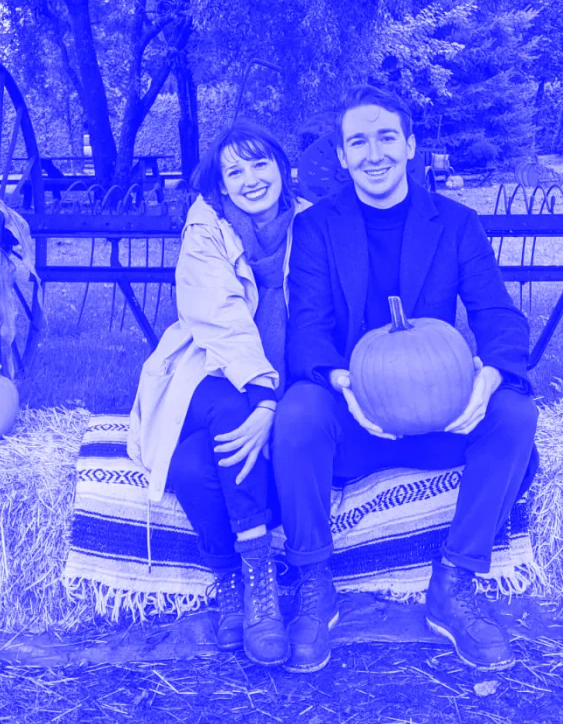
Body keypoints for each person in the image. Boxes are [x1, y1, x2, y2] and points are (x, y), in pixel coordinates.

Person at [273, 85, 539, 674]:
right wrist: (343, 384)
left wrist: (490, 378)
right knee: (296, 413)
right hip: (352, 414)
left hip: (436, 409)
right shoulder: (317, 228)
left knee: (517, 412)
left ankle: (455, 581)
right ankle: (314, 581)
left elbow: (498, 315)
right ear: (341, 156)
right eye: (358, 141)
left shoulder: (457, 224)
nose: (374, 154)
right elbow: (307, 329)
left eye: (386, 137)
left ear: (411, 146)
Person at [128, 121, 304, 665]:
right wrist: (264, 397)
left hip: (295, 370)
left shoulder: (312, 222)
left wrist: (277, 396)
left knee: (188, 468)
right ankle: (258, 586)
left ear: (281, 168)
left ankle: (226, 570)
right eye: (235, 171)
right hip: (212, 364)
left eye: (259, 164)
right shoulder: (205, 229)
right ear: (221, 186)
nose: (250, 179)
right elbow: (221, 318)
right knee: (231, 408)